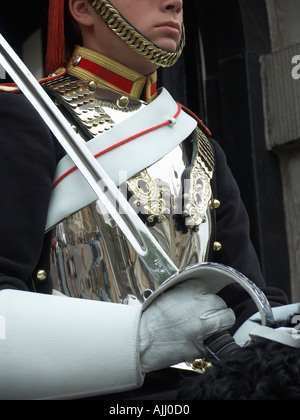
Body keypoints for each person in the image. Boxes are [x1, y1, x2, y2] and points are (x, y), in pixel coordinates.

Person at [0, 0, 289, 400]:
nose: (175, 3)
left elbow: (247, 298)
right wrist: (140, 339)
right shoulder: (26, 116)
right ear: (84, 9)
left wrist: (277, 333)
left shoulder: (196, 140)